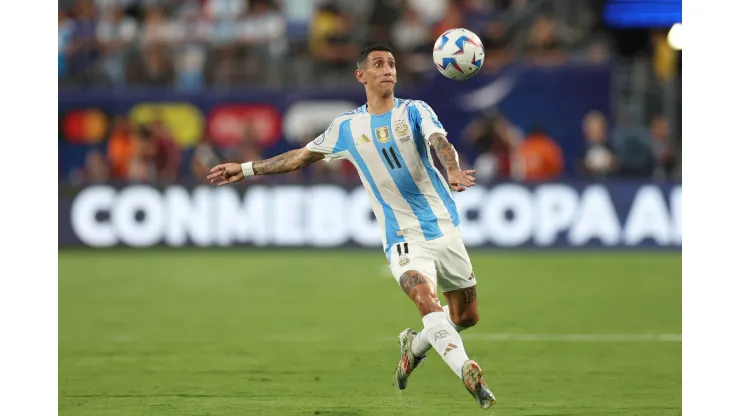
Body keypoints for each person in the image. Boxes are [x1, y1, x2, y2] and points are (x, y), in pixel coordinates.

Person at [206, 44, 496, 410]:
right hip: (402, 239)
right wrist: (246, 168)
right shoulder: (347, 127)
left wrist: (452, 169)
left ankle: (415, 345)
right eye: (378, 64)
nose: (388, 69)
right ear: (361, 75)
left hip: (444, 229)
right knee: (425, 299)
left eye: (392, 63)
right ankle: (467, 370)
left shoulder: (415, 111)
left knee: (465, 317)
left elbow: (440, 142)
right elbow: (299, 157)